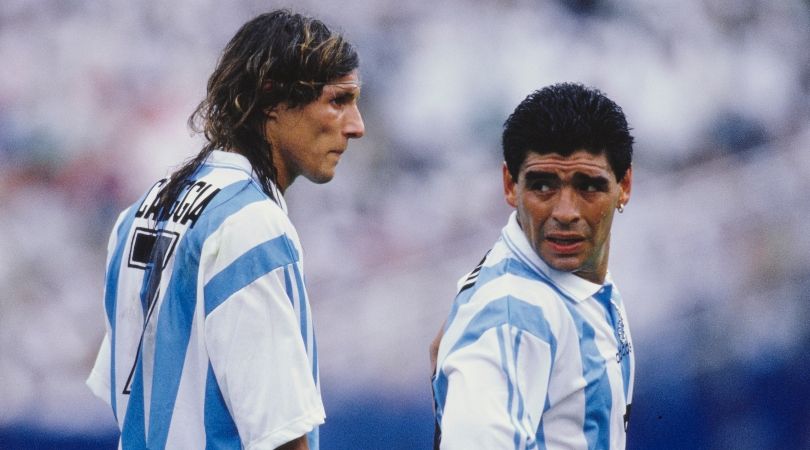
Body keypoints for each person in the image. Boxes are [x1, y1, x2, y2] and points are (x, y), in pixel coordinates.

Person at [86, 10, 364, 450]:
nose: (356, 126)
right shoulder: (252, 224)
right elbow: (280, 434)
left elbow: (126, 388)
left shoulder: (141, 210)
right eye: (338, 100)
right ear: (272, 99)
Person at [431, 82, 635, 449]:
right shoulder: (513, 317)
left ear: (625, 185)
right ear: (510, 185)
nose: (566, 212)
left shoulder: (573, 281)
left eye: (588, 186)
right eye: (543, 186)